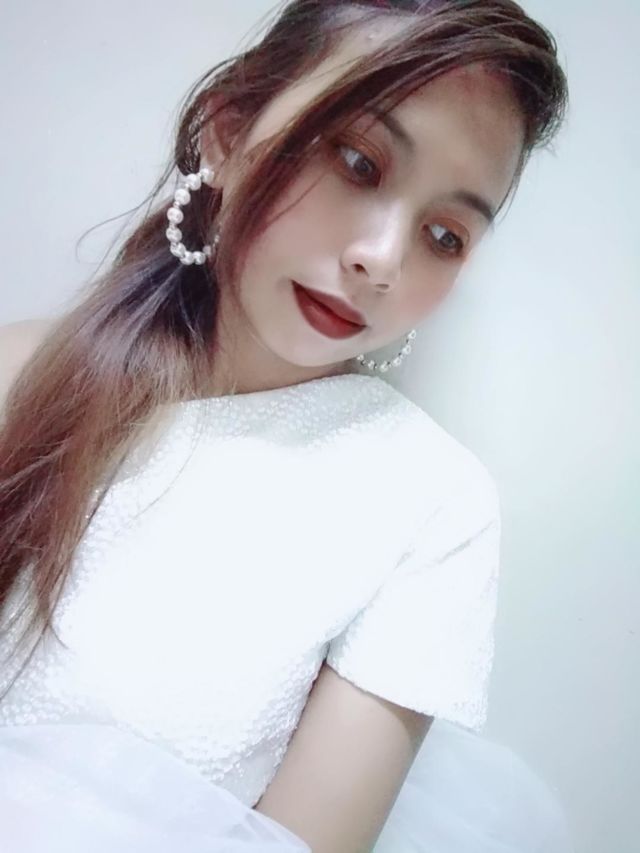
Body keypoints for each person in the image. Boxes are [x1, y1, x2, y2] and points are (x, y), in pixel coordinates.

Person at [0, 1, 572, 851]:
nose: (383, 258)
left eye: (444, 235)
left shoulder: (430, 504)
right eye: (358, 161)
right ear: (228, 129)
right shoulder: (20, 375)